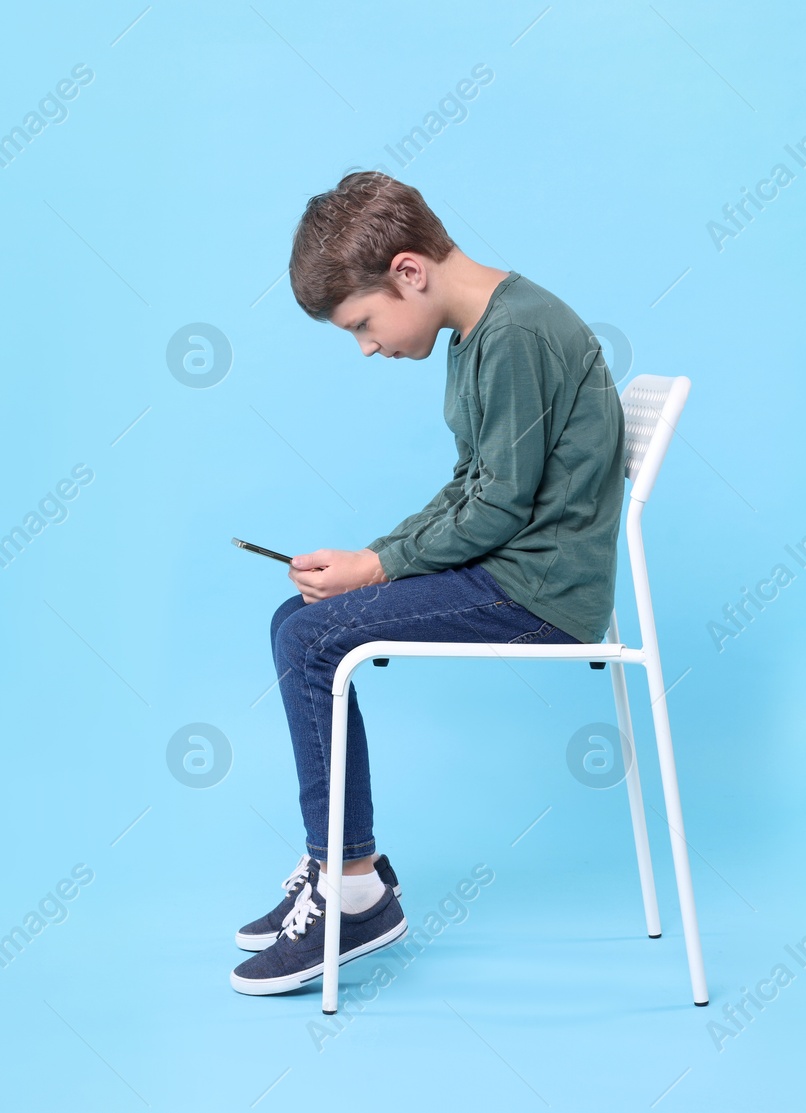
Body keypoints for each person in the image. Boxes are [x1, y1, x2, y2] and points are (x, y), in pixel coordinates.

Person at [230, 172, 626, 995]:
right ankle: (340, 865)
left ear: (408, 272)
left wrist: (375, 568)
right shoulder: (479, 335)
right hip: (510, 569)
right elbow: (471, 490)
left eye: (364, 324)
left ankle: (355, 890)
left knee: (308, 635)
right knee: (293, 618)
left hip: (540, 592)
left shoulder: (517, 334)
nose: (367, 346)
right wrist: (371, 557)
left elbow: (498, 509)